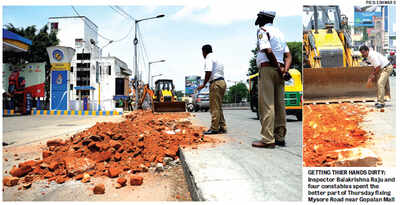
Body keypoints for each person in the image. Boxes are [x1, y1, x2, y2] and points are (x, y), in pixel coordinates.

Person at [252, 11, 292, 149]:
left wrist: (277, 67)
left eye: (259, 17)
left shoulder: (262, 31)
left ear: (262, 18)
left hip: (268, 69)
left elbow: (268, 51)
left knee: (267, 104)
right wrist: (284, 71)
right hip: (280, 71)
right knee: (280, 105)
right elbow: (288, 55)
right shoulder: (280, 34)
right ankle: (280, 137)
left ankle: (268, 139)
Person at [197, 44, 227, 134]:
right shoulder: (217, 58)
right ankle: (222, 126)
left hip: (215, 84)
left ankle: (214, 128)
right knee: (218, 107)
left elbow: (208, 72)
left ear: (204, 51)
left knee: (214, 107)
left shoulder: (208, 58)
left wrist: (203, 85)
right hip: (222, 82)